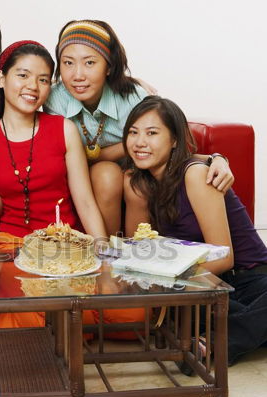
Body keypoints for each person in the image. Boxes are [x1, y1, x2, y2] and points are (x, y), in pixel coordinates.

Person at [0, 40, 122, 329]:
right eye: (22, 75)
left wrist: (106, 268)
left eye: (43, 79)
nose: (32, 86)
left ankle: (57, 319)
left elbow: (85, 202)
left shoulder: (63, 128)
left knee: (130, 313)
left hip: (68, 249)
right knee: (38, 310)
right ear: (1, 78)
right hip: (14, 251)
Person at [44, 19, 233, 235]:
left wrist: (217, 158)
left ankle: (122, 253)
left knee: (120, 178)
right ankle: (105, 253)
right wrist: (119, 149)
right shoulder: (52, 98)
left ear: (109, 66)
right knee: (106, 173)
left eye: (90, 63)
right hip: (78, 176)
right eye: (68, 63)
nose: (78, 75)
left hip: (133, 174)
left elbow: (173, 143)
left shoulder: (133, 97)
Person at [122, 95, 267, 366]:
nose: (140, 142)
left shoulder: (196, 174)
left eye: (152, 133)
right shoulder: (136, 183)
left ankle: (212, 343)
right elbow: (137, 250)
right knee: (183, 307)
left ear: (174, 139)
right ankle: (247, 328)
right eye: (133, 132)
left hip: (249, 278)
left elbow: (224, 258)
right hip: (202, 285)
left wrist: (165, 276)